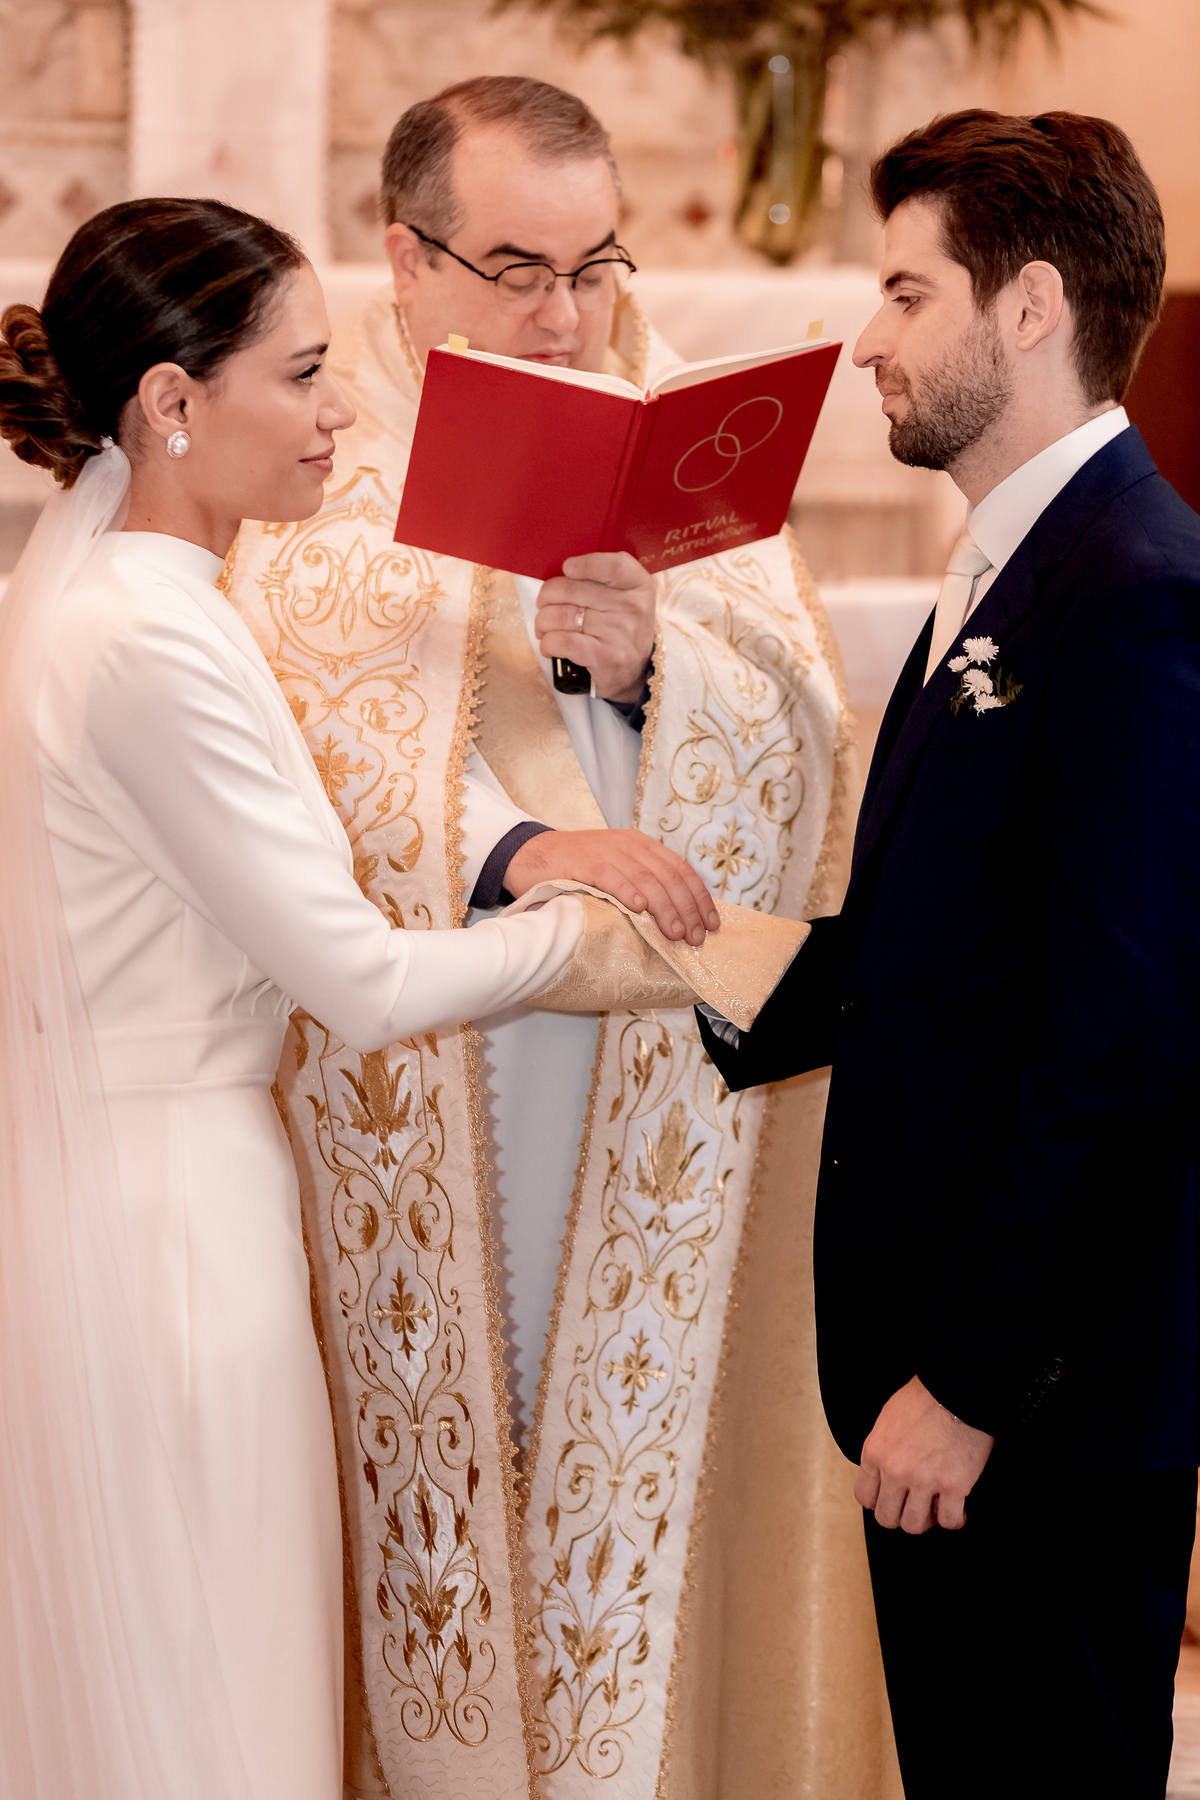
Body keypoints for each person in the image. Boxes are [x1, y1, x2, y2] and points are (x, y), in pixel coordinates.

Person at [224, 75, 877, 1800]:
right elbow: (295, 777)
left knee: (606, 1519)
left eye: (594, 265)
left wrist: (651, 665)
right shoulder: (315, 473)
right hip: (437, 1073)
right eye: (516, 266)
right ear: (407, 257)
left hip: (639, 1103)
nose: (567, 317)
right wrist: (518, 842)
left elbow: (806, 743)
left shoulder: (681, 433)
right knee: (438, 1497)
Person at [0, 194, 615, 1800]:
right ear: (174, 402)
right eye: (306, 372)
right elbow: (350, 975)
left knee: (205, 1664)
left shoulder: (143, 604)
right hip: (173, 1234)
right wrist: (594, 935)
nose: (342, 411)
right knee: (217, 1690)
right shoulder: (144, 634)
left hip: (154, 1191)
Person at [699, 108, 1200, 1799]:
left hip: (1037, 1412)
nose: (869, 340)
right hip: (963, 1393)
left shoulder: (1136, 591)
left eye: (908, 295)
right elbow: (948, 944)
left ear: (1033, 306)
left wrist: (974, 1384)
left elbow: (1127, 1040)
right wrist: (661, 957)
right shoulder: (1007, 568)